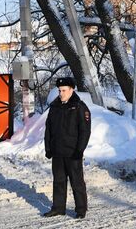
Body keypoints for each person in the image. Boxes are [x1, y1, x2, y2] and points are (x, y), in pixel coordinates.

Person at [43, 77, 92, 219]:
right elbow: (49, 129)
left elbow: (85, 131)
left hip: (73, 153)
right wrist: (48, 148)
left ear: (72, 90)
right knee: (58, 181)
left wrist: (79, 150)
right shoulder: (54, 107)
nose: (61, 93)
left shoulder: (79, 107)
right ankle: (58, 208)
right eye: (59, 90)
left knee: (77, 182)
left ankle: (81, 210)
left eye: (64, 90)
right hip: (57, 152)